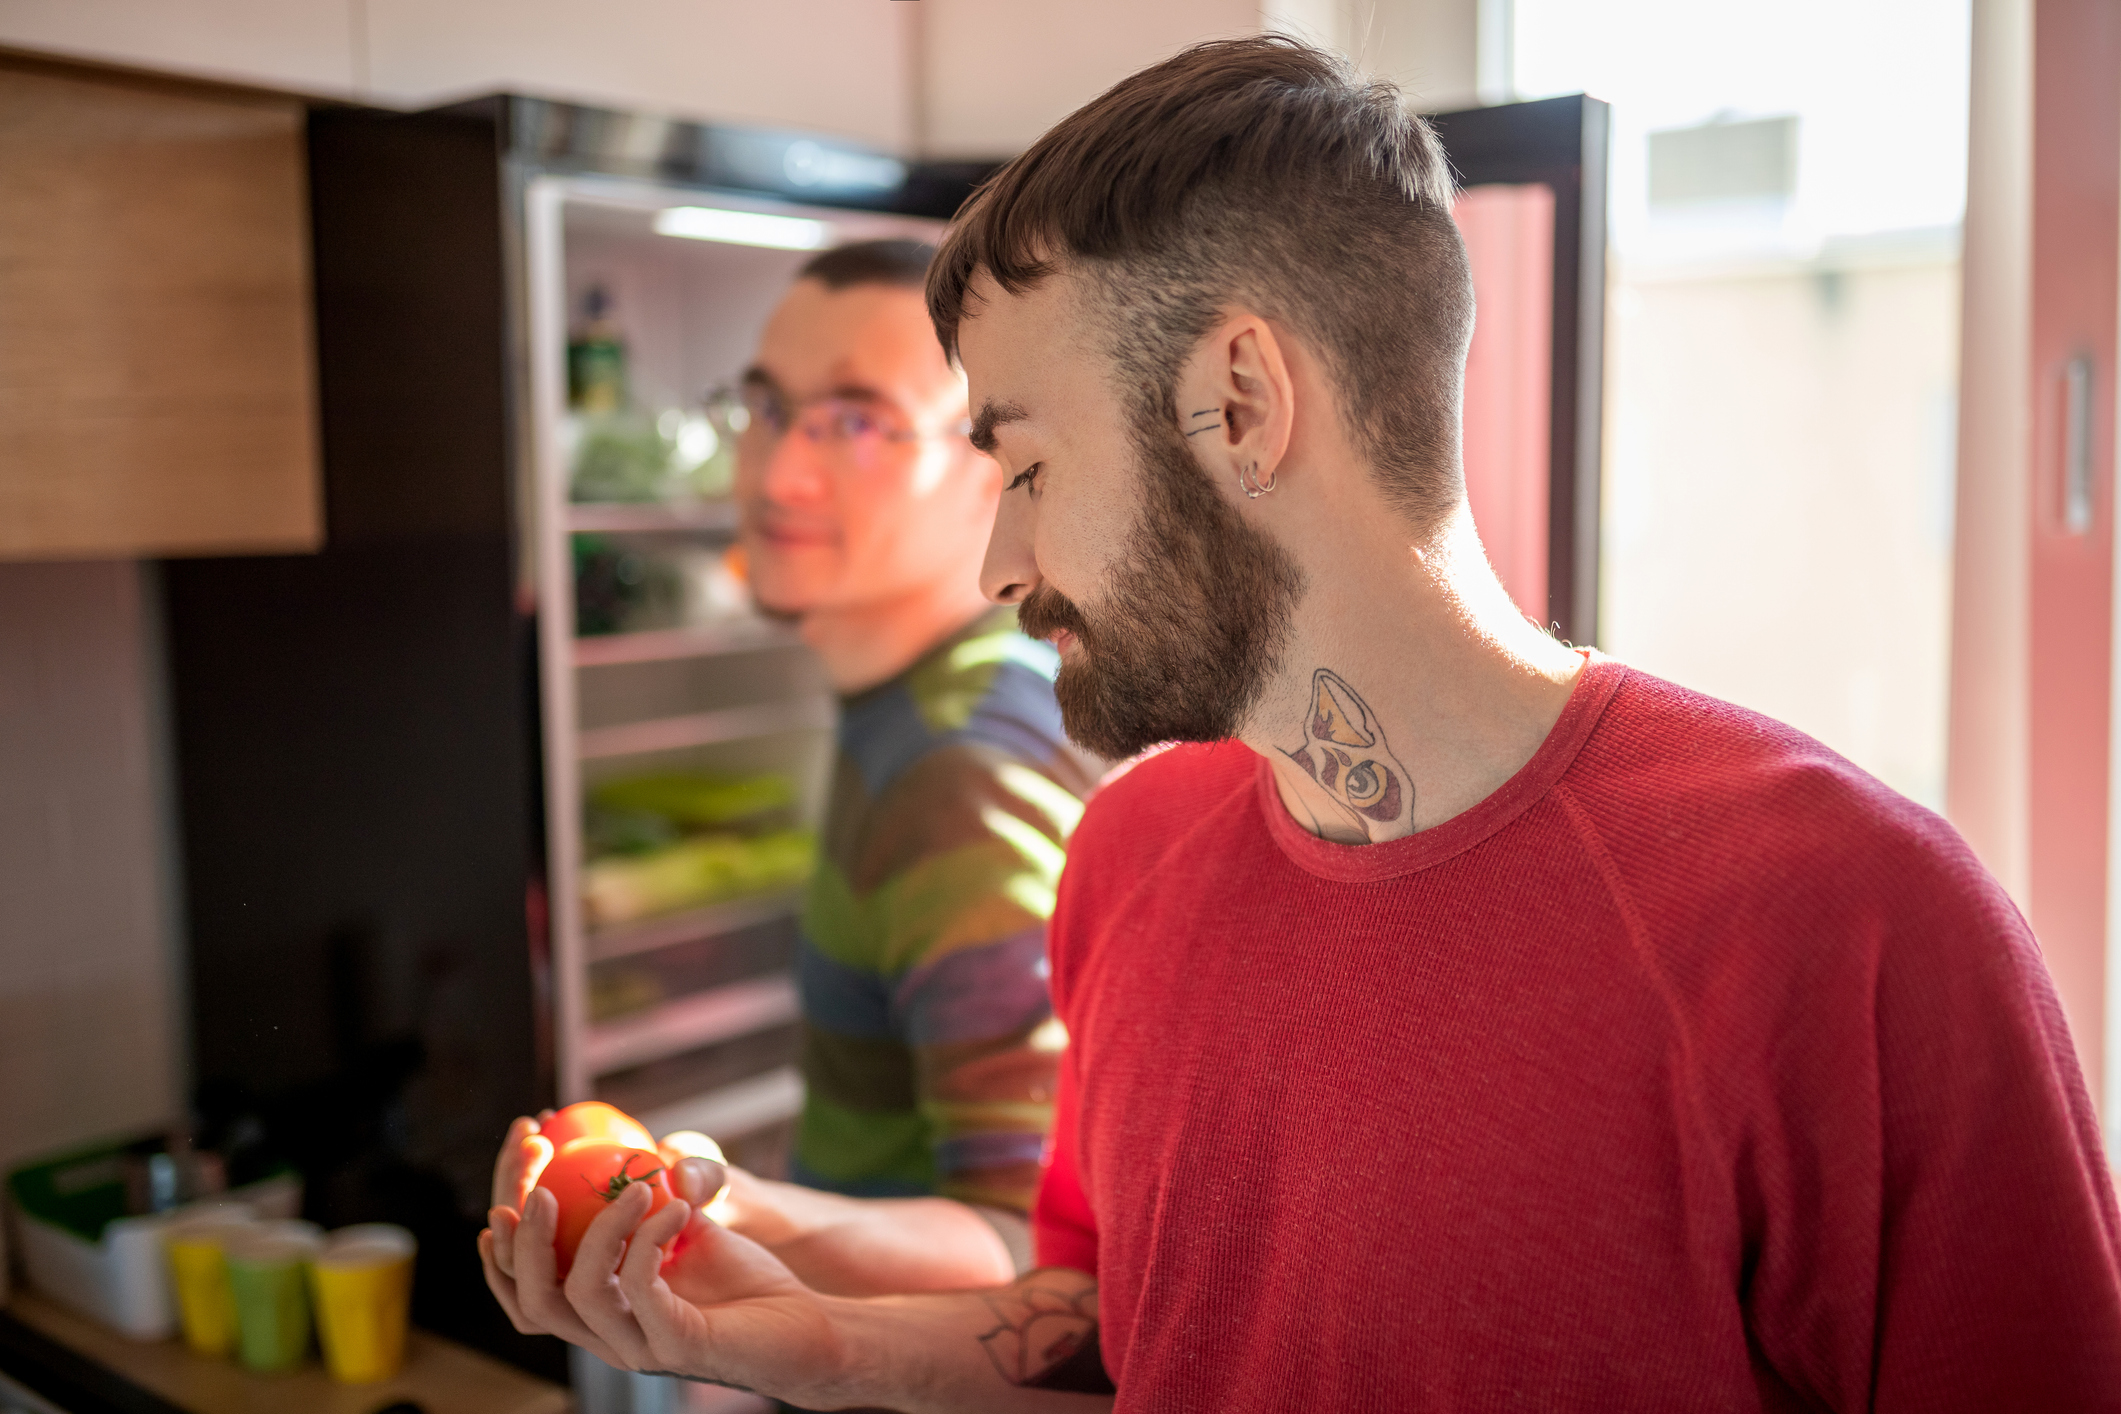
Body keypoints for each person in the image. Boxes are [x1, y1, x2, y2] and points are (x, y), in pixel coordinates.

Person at [480, 39, 2121, 1412]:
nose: (998, 562)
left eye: (1029, 464)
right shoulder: (1127, 854)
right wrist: (808, 1341)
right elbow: (1116, 1324)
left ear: (1240, 404)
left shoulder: (1853, 920)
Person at [532, 240, 1099, 1300]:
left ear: (994, 461)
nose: (781, 470)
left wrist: (709, 1204)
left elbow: (1029, 1248)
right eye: (767, 408)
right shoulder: (929, 702)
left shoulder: (955, 775)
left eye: (857, 422)